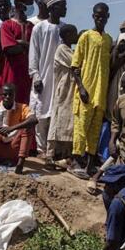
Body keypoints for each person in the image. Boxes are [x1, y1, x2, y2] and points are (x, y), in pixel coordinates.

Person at [71, 3, 113, 178]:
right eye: (97, 15)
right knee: (81, 127)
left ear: (107, 17)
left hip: (100, 92)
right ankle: (75, 162)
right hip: (86, 89)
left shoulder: (109, 39)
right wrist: (81, 87)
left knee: (95, 130)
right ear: (93, 16)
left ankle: (89, 165)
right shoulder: (86, 36)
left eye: (103, 16)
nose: (100, 18)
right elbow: (74, 66)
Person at [28, 0, 66, 161]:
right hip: (43, 76)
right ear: (52, 8)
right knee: (41, 112)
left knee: (56, 113)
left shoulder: (65, 29)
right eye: (62, 6)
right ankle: (41, 149)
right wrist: (35, 76)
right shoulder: (39, 28)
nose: (65, 8)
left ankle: (53, 150)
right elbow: (33, 54)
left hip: (59, 78)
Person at [47, 24, 79, 163]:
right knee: (60, 119)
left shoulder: (69, 49)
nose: (77, 36)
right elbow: (77, 63)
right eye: (74, 33)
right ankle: (53, 154)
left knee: (68, 121)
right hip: (64, 90)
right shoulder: (62, 49)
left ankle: (64, 154)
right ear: (67, 36)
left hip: (70, 90)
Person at [0, 0, 34, 103]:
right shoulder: (7, 25)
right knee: (10, 103)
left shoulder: (32, 27)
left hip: (29, 73)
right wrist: (28, 46)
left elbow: (36, 49)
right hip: (12, 72)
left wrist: (20, 43)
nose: (31, 8)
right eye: (29, 4)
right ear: (19, 6)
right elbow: (9, 48)